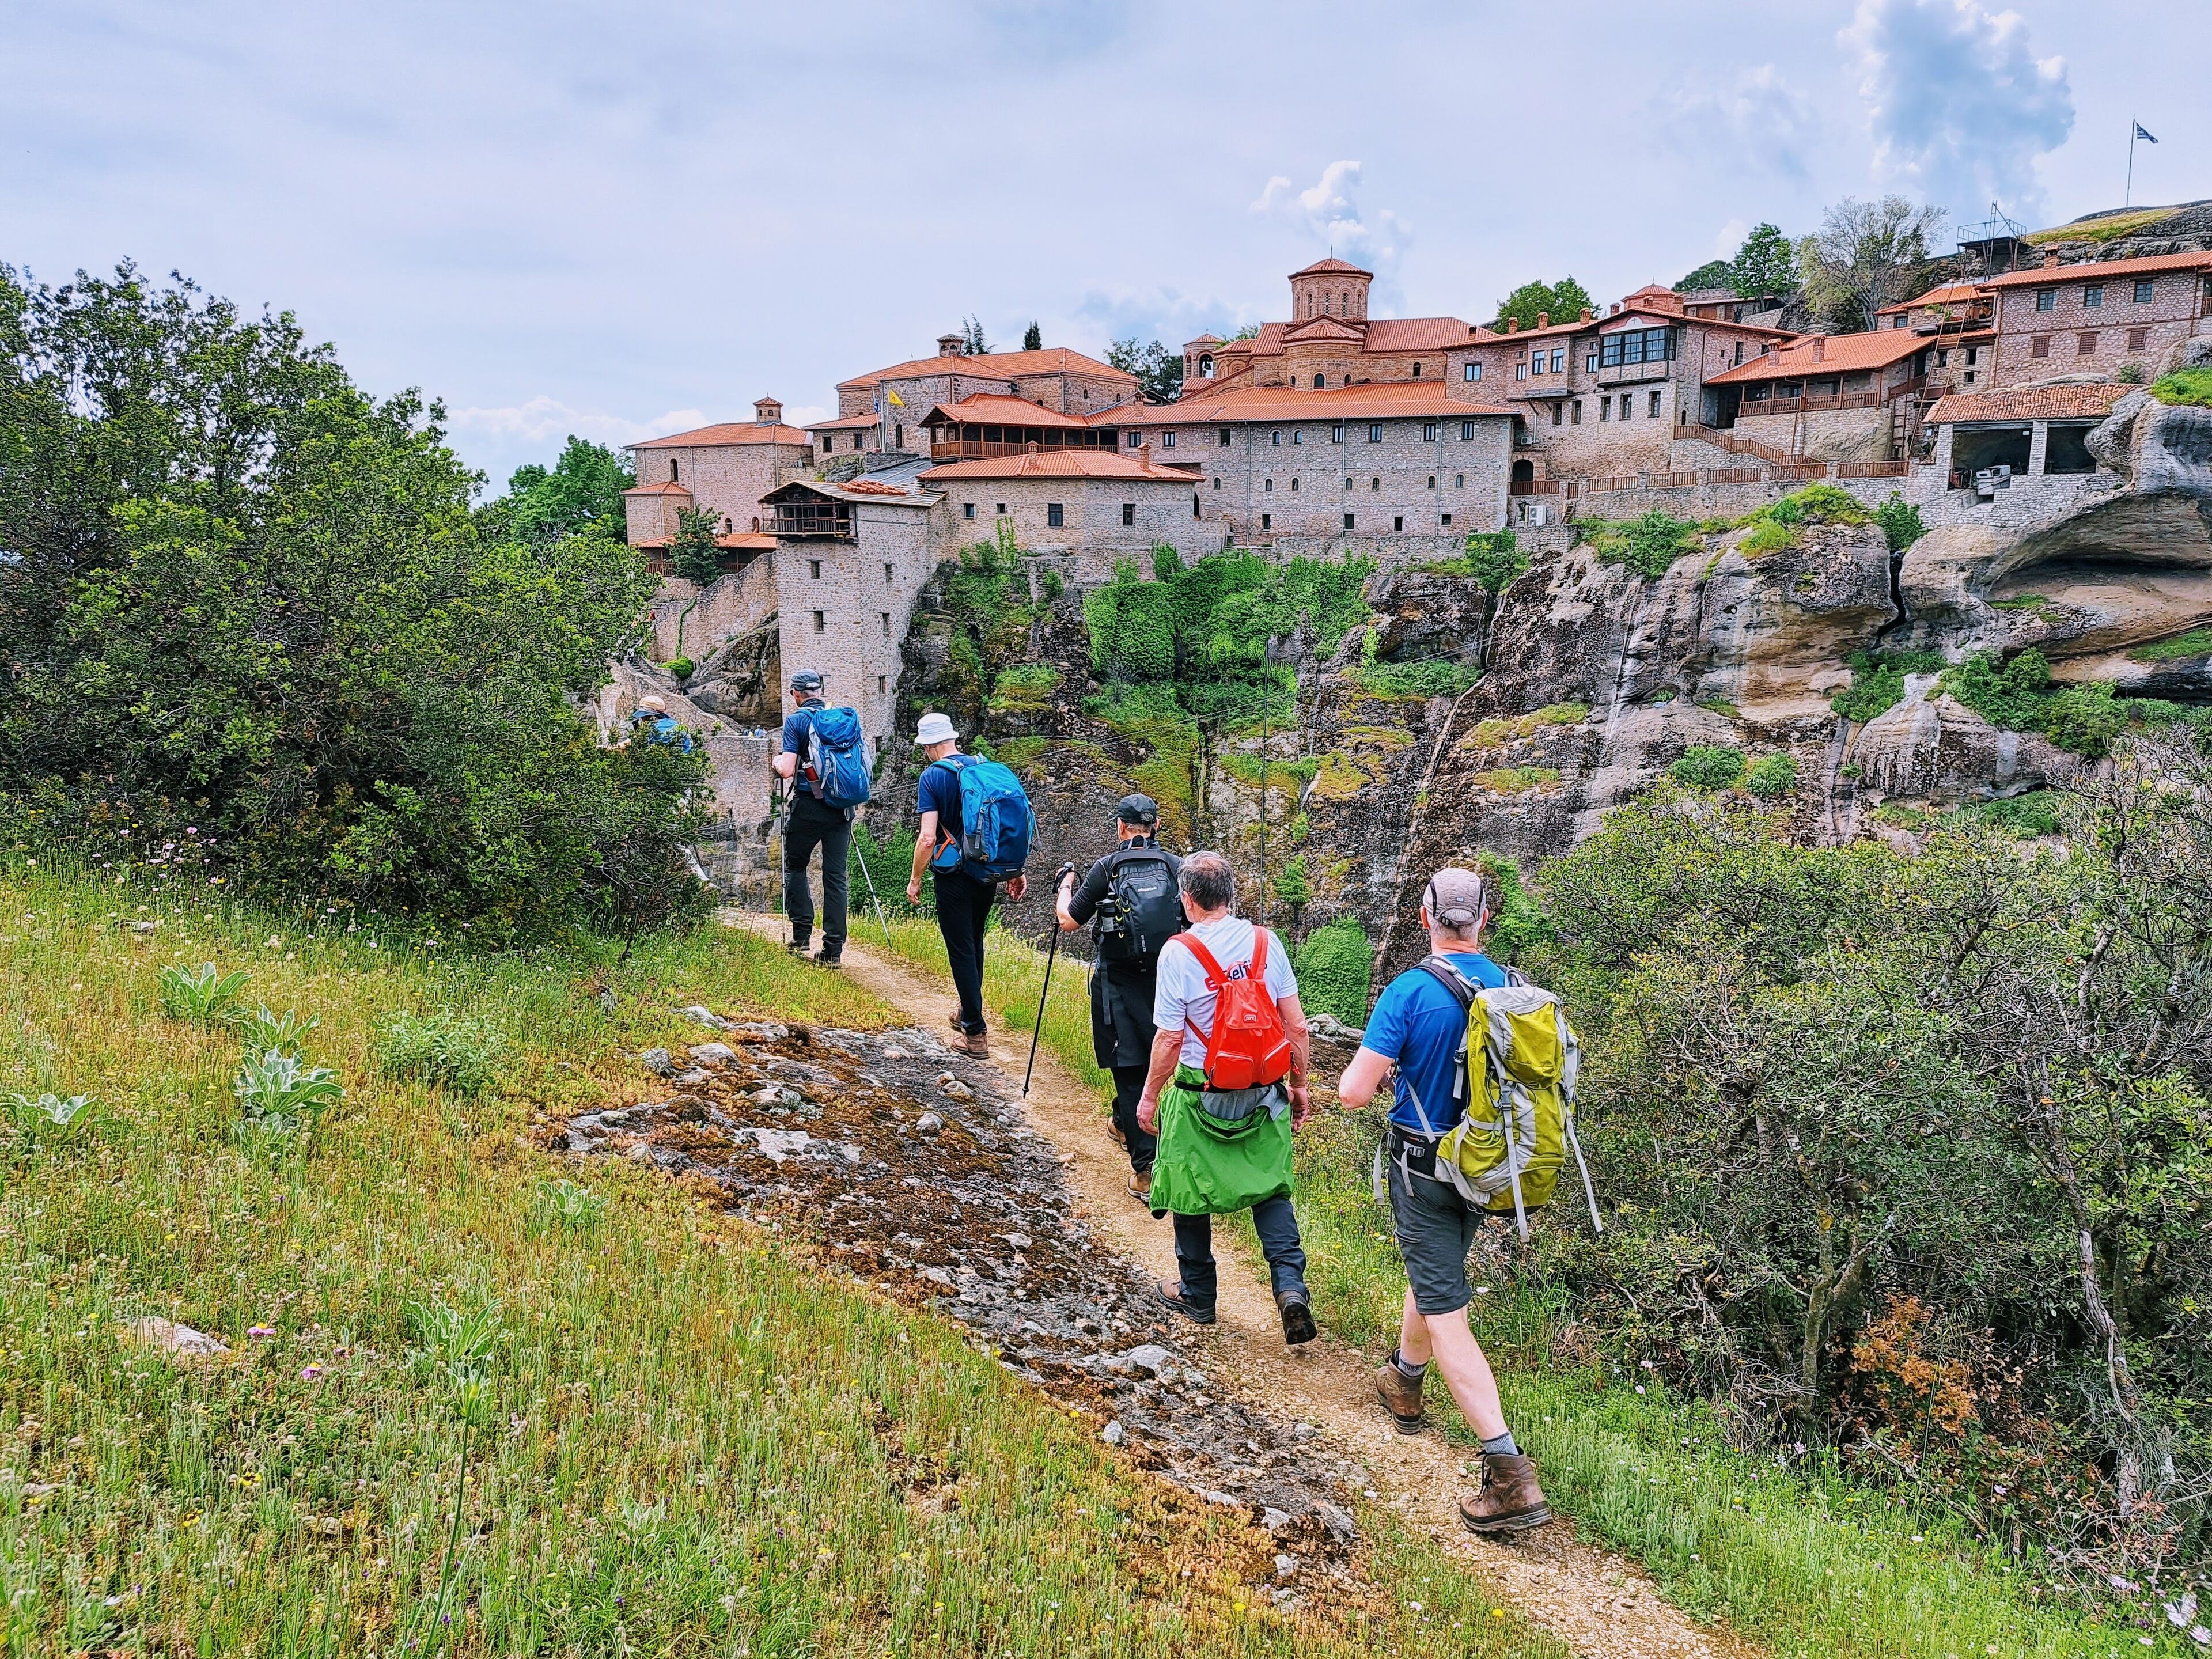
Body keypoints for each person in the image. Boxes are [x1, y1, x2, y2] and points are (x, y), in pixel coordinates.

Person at [1335, 866, 1550, 1535]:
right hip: (1488, 1169)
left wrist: (1398, 1067)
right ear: (1484, 919)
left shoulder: (1410, 991)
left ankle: (1509, 1471)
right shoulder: (1513, 988)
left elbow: (1353, 1093)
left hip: (1425, 1170)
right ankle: (1405, 1379)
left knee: (1446, 1310)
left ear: (1425, 916)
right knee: (1436, 1276)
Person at [1137, 851, 1317, 1346]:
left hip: (1202, 1091)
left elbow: (1170, 1038)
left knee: (1189, 1185)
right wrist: (1300, 1085)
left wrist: (1149, 1096)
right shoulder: (1266, 942)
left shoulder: (1179, 952)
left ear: (1187, 900)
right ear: (1232, 896)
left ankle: (1198, 1294)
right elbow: (1297, 1027)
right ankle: (1290, 1287)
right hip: (1263, 1091)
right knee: (1271, 1189)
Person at [1056, 793, 1181, 1200]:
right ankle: (1125, 1123)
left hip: (1117, 984)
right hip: (1166, 983)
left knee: (1129, 1070)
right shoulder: (1177, 867)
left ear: (1121, 827)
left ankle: (1146, 1172)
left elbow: (1069, 921)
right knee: (1153, 1063)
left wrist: (1065, 885)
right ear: (1156, 826)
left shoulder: (1107, 868)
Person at [906, 711, 1025, 1057]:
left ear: (929, 746)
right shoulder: (982, 767)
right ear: (953, 738)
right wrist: (1014, 870)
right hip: (986, 872)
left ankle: (974, 1034)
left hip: (954, 876)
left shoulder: (932, 777)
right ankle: (966, 1010)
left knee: (960, 949)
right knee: (974, 942)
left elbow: (928, 838)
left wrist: (915, 879)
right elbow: (1004, 826)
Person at [772, 669, 849, 969]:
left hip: (810, 804)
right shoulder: (840, 717)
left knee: (795, 866)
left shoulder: (797, 721)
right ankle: (833, 951)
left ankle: (802, 935)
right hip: (842, 806)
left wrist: (777, 761)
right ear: (819, 691)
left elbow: (787, 770)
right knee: (836, 877)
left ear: (796, 694)